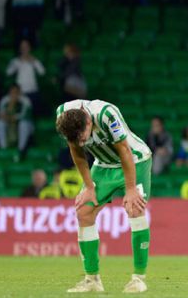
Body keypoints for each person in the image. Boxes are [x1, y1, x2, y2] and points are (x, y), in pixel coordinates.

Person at [56, 99, 152, 293]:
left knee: (134, 208)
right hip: (103, 165)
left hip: (134, 160)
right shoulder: (63, 115)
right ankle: (92, 280)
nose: (83, 143)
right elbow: (76, 150)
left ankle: (138, 278)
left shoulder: (106, 114)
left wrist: (131, 188)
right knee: (83, 211)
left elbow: (124, 149)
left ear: (89, 123)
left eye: (84, 138)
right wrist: (89, 186)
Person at [6, 40, 45, 116]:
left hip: (33, 91)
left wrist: (34, 61)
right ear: (20, 49)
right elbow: (8, 72)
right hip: (20, 92)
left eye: (26, 47)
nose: (24, 49)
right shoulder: (16, 61)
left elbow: (42, 72)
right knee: (20, 115)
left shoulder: (34, 60)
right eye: (22, 47)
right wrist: (17, 62)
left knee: (32, 115)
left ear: (29, 48)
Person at [0, 84, 33, 157]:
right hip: (10, 124)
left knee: (24, 124)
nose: (14, 94)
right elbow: (1, 115)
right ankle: (3, 148)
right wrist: (10, 106)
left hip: (25, 124)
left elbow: (24, 116)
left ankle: (21, 149)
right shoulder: (5, 100)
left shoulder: (25, 100)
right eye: (12, 92)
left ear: (19, 92)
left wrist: (11, 117)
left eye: (16, 92)